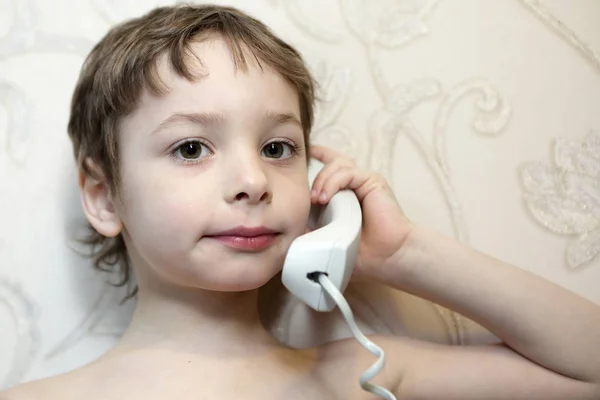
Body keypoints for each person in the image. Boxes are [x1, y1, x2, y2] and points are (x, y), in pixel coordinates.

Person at [3, 4, 600, 399]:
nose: (253, 180)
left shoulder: (362, 374)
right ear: (104, 197)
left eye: (278, 146)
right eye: (190, 148)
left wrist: (401, 254)